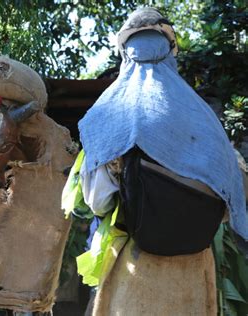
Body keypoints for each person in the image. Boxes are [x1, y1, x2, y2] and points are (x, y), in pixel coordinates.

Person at [70, 7, 248, 315]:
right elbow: (231, 204)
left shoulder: (107, 116)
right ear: (170, 54)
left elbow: (97, 202)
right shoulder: (204, 119)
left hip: (133, 266)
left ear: (125, 55)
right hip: (194, 267)